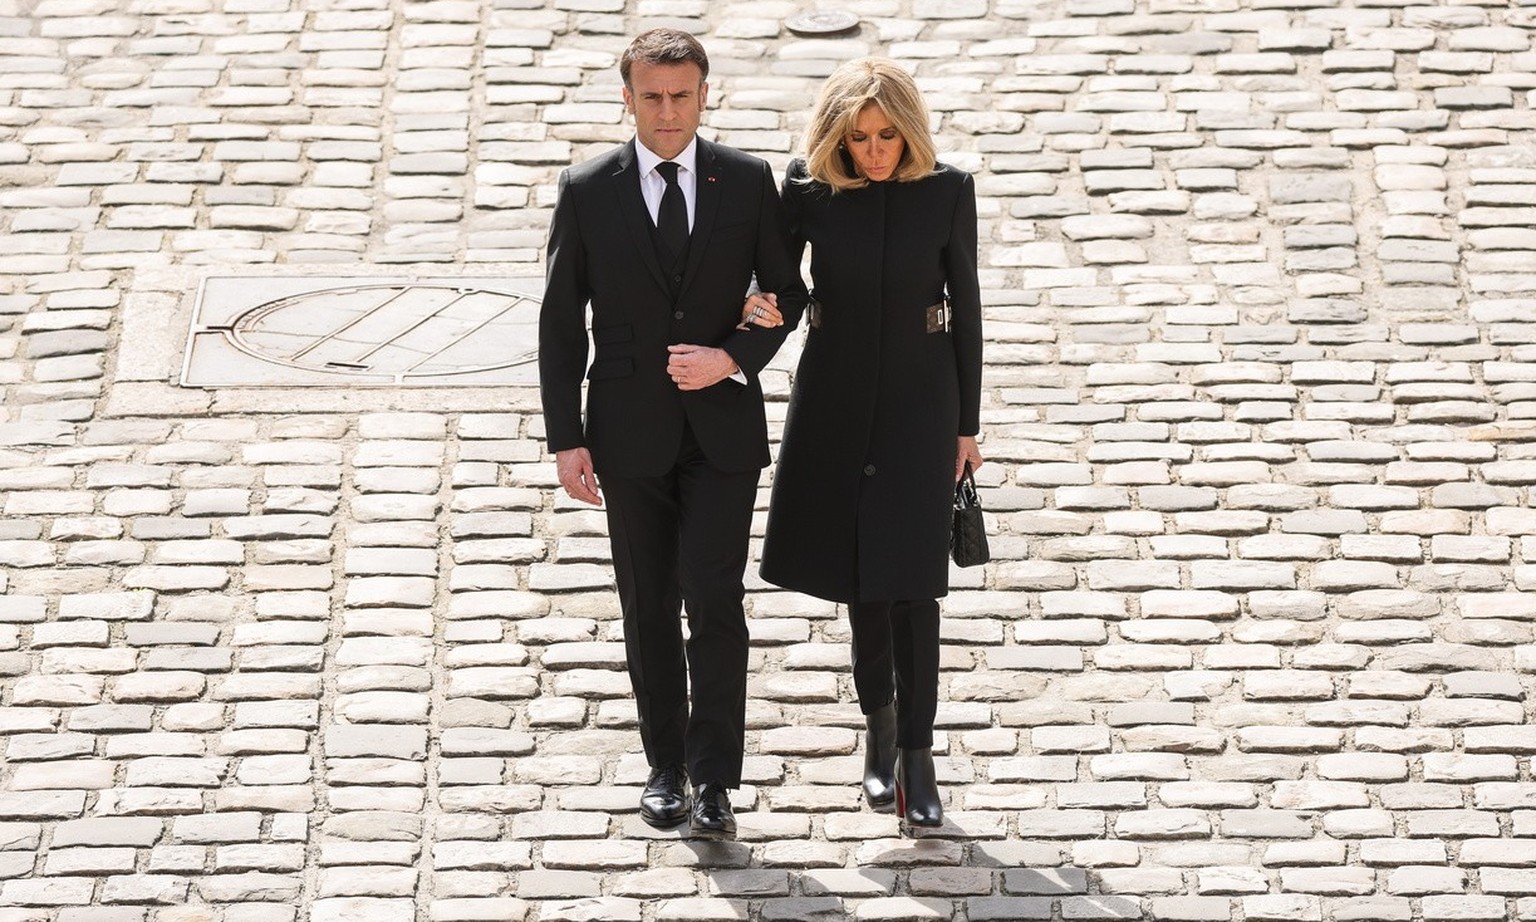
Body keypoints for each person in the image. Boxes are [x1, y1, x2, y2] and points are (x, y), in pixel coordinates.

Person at [539, 28, 807, 840]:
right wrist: (566, 437)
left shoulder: (749, 180)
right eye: (651, 96)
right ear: (627, 97)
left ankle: (716, 778)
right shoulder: (588, 188)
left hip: (722, 431)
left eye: (681, 95)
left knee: (715, 599)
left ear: (703, 94)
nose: (666, 110)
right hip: (626, 432)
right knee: (647, 602)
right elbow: (560, 321)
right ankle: (664, 766)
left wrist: (731, 358)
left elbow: (783, 295)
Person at [741, 57, 983, 829]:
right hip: (837, 397)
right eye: (859, 138)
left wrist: (967, 425)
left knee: (916, 582)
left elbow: (968, 310)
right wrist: (744, 317)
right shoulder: (808, 191)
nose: (874, 151)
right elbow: (785, 283)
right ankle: (879, 732)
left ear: (906, 131)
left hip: (921, 399)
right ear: (838, 138)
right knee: (864, 582)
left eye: (886, 136)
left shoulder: (947, 191)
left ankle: (919, 754)